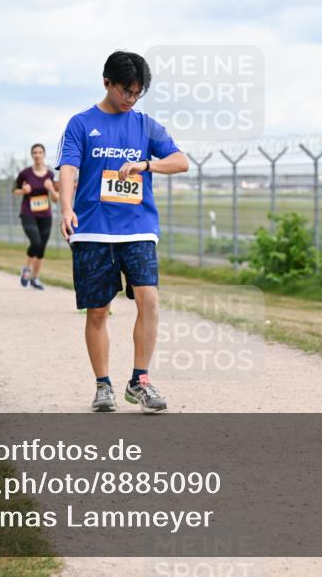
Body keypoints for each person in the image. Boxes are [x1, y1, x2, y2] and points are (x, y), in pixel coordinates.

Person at [57, 50, 188, 413]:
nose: (131, 99)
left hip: (138, 228)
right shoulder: (81, 124)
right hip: (93, 230)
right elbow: (67, 169)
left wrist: (147, 164)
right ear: (107, 83)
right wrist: (66, 208)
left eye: (137, 93)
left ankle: (140, 380)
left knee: (150, 300)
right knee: (98, 312)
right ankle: (103, 386)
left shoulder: (146, 126)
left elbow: (181, 161)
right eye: (125, 91)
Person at [13, 143, 59, 290]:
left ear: (44, 155)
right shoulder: (25, 174)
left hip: (45, 214)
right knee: (36, 242)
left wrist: (51, 188)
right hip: (28, 213)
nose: (37, 155)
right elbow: (14, 189)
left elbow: (56, 199)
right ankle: (26, 269)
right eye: (35, 152)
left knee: (41, 249)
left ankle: (35, 278)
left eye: (40, 152)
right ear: (32, 155)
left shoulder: (51, 175)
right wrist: (23, 191)